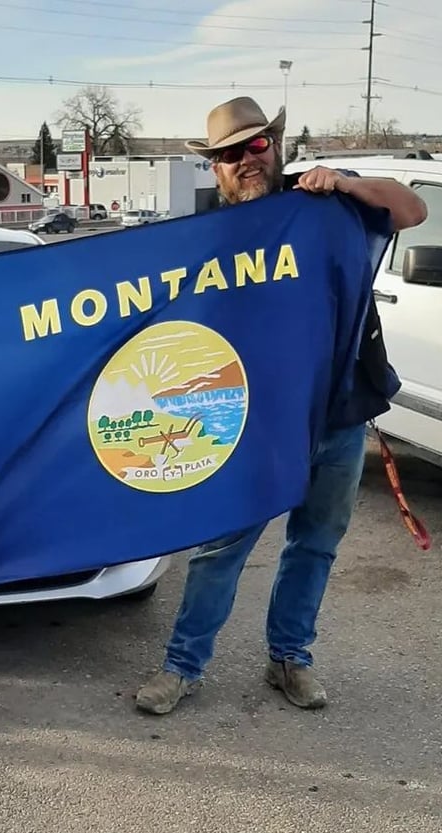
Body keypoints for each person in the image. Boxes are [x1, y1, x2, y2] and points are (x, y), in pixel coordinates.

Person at [136, 97, 427, 715]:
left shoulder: (328, 207)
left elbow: (412, 208)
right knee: (221, 548)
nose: (245, 160)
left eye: (256, 146)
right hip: (250, 425)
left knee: (316, 544)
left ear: (276, 146)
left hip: (339, 418)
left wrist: (347, 180)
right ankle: (183, 667)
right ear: (213, 168)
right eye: (228, 154)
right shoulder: (203, 238)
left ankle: (290, 658)